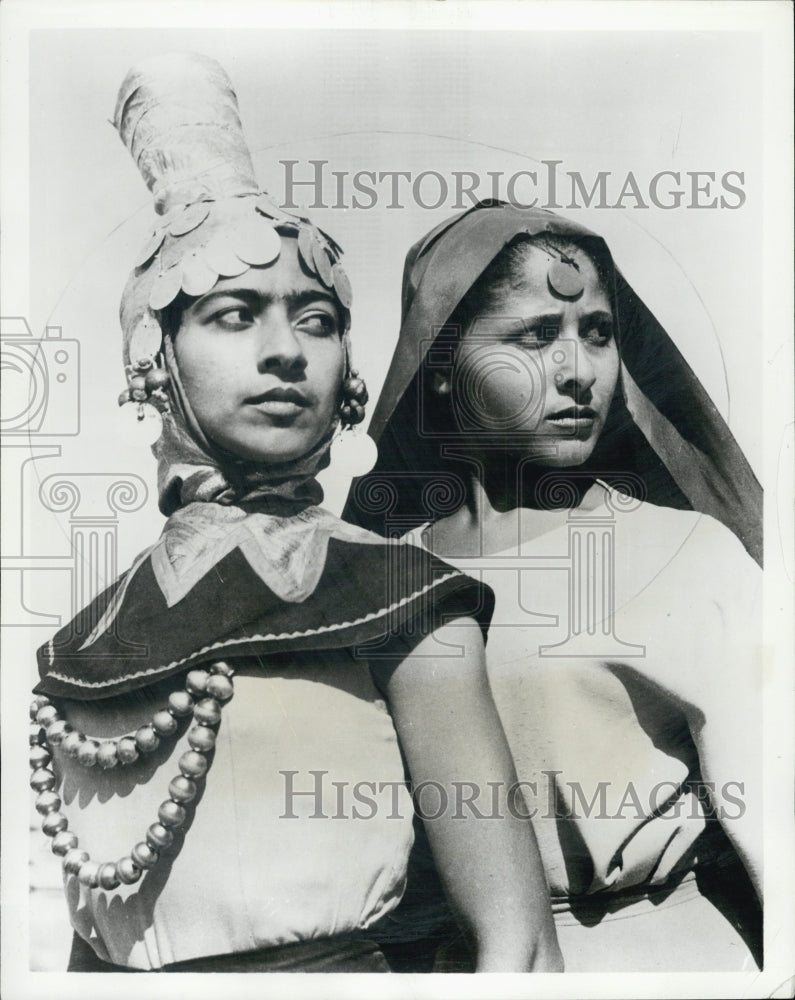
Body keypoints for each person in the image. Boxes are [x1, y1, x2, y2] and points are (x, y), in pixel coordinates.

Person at [28, 60, 562, 973]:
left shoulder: (395, 595)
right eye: (235, 315)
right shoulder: (95, 634)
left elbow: (516, 943)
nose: (285, 353)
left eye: (315, 320)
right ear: (157, 362)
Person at [346, 200, 763, 972]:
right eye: (534, 336)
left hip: (663, 959)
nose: (578, 372)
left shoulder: (688, 556)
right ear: (440, 369)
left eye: (596, 333)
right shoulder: (384, 578)